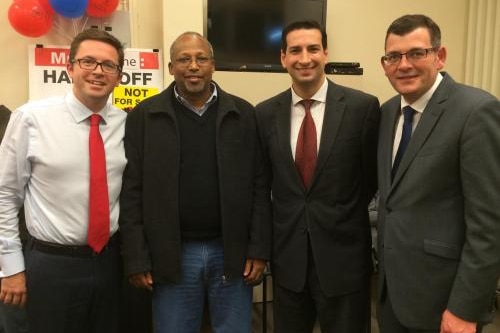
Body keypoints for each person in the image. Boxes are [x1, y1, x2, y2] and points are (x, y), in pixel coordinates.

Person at [119, 31, 271, 333]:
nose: (193, 66)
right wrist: (137, 257)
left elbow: (259, 184)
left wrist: (259, 248)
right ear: (171, 67)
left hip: (232, 251)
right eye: (184, 59)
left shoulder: (243, 114)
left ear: (213, 65)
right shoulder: (144, 117)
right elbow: (132, 191)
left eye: (201, 58)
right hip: (172, 254)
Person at [377, 14, 500, 333]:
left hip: (445, 302)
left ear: (439, 56)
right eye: (394, 56)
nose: (403, 65)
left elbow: (489, 225)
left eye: (416, 53)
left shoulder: (476, 111)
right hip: (393, 296)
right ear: (385, 64)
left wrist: (464, 308)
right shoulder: (388, 111)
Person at [255, 20, 380, 333]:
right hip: (288, 263)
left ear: (326, 53)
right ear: (283, 57)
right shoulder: (265, 113)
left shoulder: (361, 108)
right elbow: (263, 184)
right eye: (295, 50)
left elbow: (369, 181)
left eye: (313, 48)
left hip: (345, 261)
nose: (305, 58)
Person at [0, 29, 126, 333]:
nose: (98, 71)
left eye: (108, 65)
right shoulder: (31, 118)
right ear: (69, 67)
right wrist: (11, 267)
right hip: (50, 265)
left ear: (119, 75)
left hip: (110, 264)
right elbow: (5, 195)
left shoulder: (126, 124)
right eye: (88, 62)